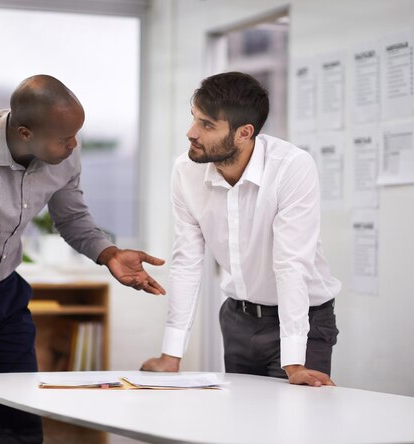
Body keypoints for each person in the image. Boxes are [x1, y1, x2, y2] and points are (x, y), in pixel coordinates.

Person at [0, 74, 166, 444]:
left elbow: (71, 216)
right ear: (25, 133)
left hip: (3, 286)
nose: (74, 146)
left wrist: (109, 254)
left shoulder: (61, 150)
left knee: (22, 418)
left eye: (76, 135)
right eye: (64, 139)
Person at [141, 72, 340, 387]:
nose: (191, 132)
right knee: (242, 426)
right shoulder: (185, 171)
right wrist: (171, 355)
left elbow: (291, 264)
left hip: (304, 321)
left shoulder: (291, 167)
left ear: (244, 133)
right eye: (194, 118)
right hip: (238, 320)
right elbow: (188, 260)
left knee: (293, 427)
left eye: (207, 125)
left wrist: (294, 363)